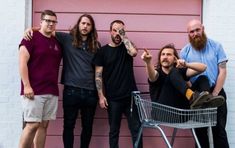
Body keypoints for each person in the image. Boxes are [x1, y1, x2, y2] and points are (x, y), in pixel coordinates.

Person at [24, 14, 100, 148]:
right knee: (68, 126)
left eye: (88, 24)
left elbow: (99, 71)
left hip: (90, 93)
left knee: (87, 127)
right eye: (83, 23)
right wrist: (31, 29)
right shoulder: (66, 39)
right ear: (78, 24)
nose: (85, 26)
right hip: (71, 91)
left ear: (91, 28)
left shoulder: (96, 45)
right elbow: (46, 29)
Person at [93, 20, 142, 148]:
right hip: (113, 99)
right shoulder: (102, 51)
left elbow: (134, 53)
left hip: (131, 98)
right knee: (114, 131)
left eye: (120, 30)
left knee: (136, 129)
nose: (117, 33)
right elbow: (98, 75)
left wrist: (123, 36)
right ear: (110, 31)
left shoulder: (127, 46)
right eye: (115, 30)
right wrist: (101, 96)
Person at [180, 19, 229, 148]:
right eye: (192, 31)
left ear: (203, 29)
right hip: (198, 97)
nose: (195, 33)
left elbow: (222, 71)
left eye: (197, 30)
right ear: (188, 34)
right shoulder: (184, 52)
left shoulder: (216, 46)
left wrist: (215, 94)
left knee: (219, 130)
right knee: (200, 132)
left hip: (216, 92)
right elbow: (184, 77)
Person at [19, 10, 62, 148]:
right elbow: (22, 62)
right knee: (32, 125)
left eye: (53, 21)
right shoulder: (31, 38)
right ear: (41, 21)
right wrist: (26, 85)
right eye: (47, 20)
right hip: (33, 90)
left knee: (43, 125)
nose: (50, 24)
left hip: (51, 90)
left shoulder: (57, 41)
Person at [141, 44, 225, 110]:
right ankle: (192, 97)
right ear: (160, 59)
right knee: (174, 71)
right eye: (163, 54)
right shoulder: (157, 73)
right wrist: (148, 62)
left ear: (174, 59)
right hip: (162, 112)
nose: (165, 57)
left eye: (169, 54)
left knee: (203, 78)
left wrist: (186, 64)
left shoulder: (179, 72)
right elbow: (152, 76)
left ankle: (206, 101)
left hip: (180, 113)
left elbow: (203, 67)